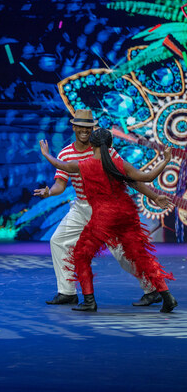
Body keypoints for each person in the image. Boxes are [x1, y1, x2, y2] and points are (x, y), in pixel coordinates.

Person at [34, 109, 169, 307]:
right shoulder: (66, 152)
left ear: (92, 129)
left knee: (124, 253)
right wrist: (49, 192)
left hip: (107, 209)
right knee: (58, 241)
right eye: (80, 126)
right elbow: (60, 185)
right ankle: (67, 292)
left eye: (88, 127)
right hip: (82, 207)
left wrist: (155, 196)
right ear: (74, 127)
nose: (84, 130)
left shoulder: (105, 150)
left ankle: (152, 289)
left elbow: (131, 179)